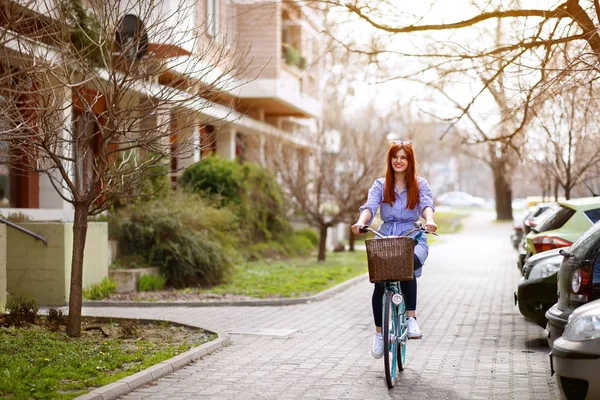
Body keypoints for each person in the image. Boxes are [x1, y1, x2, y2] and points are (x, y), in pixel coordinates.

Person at [351, 140, 437, 359]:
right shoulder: (380, 185)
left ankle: (411, 319)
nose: (399, 161)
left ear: (409, 161)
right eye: (395, 157)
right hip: (387, 235)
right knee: (380, 282)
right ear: (390, 159)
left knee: (407, 262)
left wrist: (429, 220)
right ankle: (380, 334)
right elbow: (369, 207)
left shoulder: (420, 184)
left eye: (404, 157)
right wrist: (361, 222)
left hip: (412, 234)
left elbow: (427, 205)